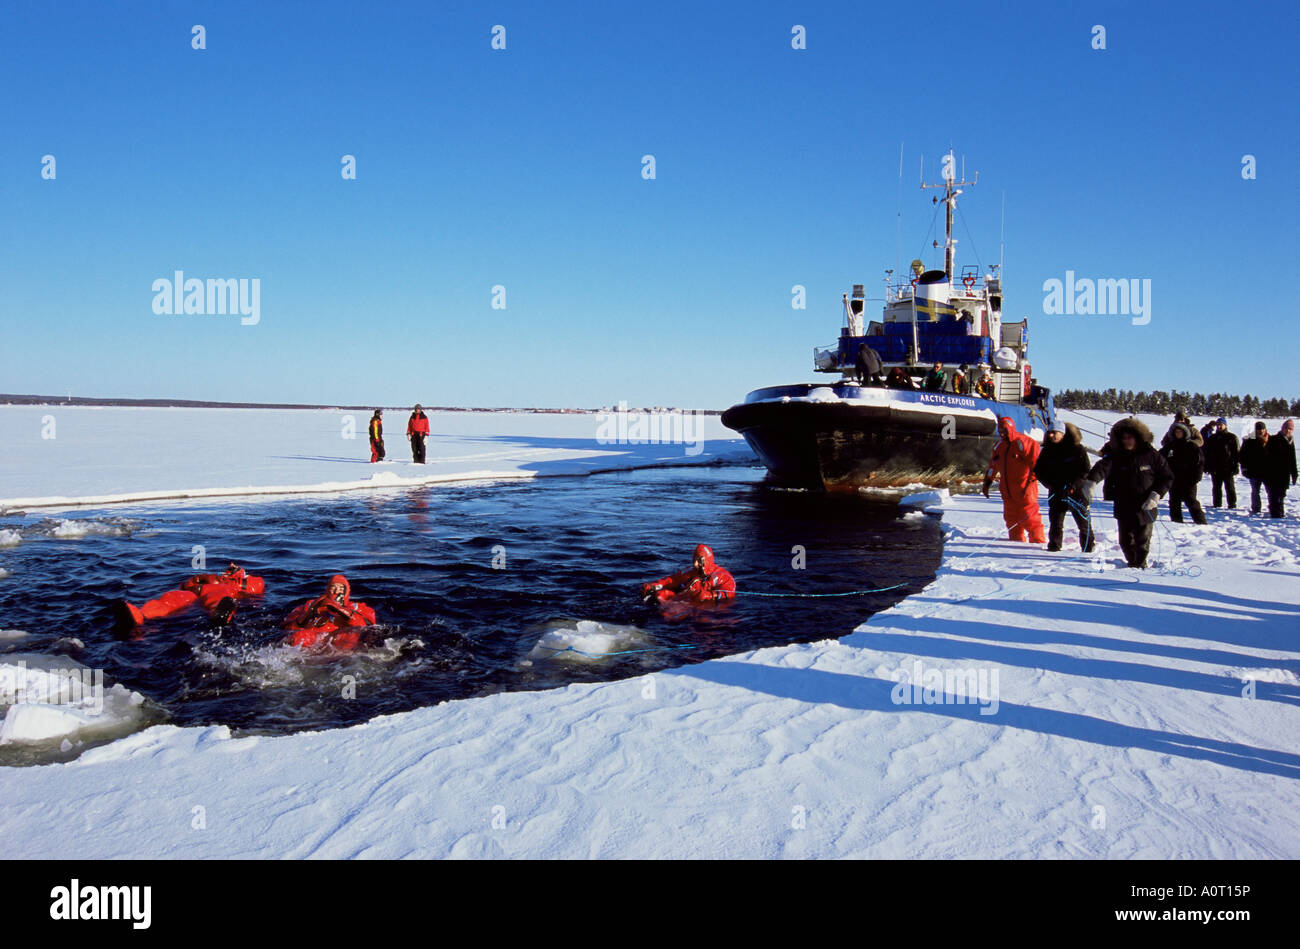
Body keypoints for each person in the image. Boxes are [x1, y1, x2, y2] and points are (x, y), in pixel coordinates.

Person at [1084, 417, 1174, 568]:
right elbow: (1102, 467)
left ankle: (1140, 565)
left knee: (1142, 539)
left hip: (1145, 504)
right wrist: (1091, 481)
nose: (1127, 441)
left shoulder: (1151, 455)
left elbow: (1167, 477)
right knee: (1125, 540)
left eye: (1130, 438)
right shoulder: (1116, 454)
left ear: (1138, 438)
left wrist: (1156, 494)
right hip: (1123, 502)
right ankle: (1132, 562)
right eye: (1124, 438)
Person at [114, 563, 265, 627]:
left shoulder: (241, 581)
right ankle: (138, 614)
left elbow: (256, 586)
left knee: (218, 600)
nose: (230, 565)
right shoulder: (211, 576)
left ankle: (221, 615)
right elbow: (186, 584)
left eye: (234, 567)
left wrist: (235, 579)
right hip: (191, 593)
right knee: (169, 600)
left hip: (217, 592)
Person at [1033, 420, 1095, 552]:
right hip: (1056, 491)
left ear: (1062, 434)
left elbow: (1085, 471)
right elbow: (1039, 470)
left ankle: (1088, 548)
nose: (1051, 436)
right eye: (1049, 433)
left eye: (1054, 433)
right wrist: (1050, 485)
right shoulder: (1047, 450)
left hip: (1076, 493)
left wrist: (1072, 486)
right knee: (1055, 523)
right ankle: (1054, 547)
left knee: (1083, 523)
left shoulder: (1077, 449)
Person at [982, 416, 1045, 543]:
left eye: (1004, 430)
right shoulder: (999, 446)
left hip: (1025, 488)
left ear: (1011, 428)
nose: (1002, 434)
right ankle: (1016, 542)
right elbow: (993, 465)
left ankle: (1038, 544)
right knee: (1011, 519)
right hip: (1008, 490)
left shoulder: (1025, 443)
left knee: (1030, 518)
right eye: (1000, 431)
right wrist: (988, 481)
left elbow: (1037, 465)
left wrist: (1032, 481)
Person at [283, 575, 378, 651]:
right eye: (333, 587)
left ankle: (342, 660)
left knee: (351, 635)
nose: (336, 591)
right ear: (327, 589)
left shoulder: (359, 607)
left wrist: (338, 608)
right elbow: (288, 627)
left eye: (341, 588)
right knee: (299, 636)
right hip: (315, 637)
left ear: (347, 591)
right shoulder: (310, 604)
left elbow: (365, 625)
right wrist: (308, 614)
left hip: (340, 639)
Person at [641, 544, 736, 606]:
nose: (694, 564)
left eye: (699, 561)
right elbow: (672, 580)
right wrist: (654, 586)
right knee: (660, 595)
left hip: (705, 608)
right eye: (694, 560)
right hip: (684, 599)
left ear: (706, 561)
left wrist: (709, 595)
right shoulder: (690, 572)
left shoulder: (722, 576)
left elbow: (729, 593)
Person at [1161, 423, 1207, 524]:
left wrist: (1196, 477)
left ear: (1185, 432)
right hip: (1173, 480)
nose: (1178, 433)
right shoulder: (1169, 447)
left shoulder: (1191, 446)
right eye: (1176, 432)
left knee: (1191, 501)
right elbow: (1159, 458)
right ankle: (1176, 522)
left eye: (1180, 431)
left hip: (1188, 480)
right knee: (1174, 502)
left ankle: (1201, 522)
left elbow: (1199, 463)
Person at [1263, 419, 1297, 518]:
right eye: (1286, 428)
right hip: (1273, 473)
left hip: (1284, 474)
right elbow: (1266, 457)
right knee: (1274, 495)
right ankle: (1275, 514)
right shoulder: (1273, 439)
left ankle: (1279, 512)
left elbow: (1292, 459)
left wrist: (1294, 473)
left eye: (1290, 429)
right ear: (1282, 428)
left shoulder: (1290, 441)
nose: (1288, 431)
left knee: (1281, 494)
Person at [1202, 417, 1239, 509]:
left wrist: (1236, 465)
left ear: (1225, 426)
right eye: (1218, 424)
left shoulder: (1232, 437)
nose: (1219, 426)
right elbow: (1207, 453)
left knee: (1230, 487)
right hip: (1215, 467)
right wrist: (1207, 466)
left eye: (1221, 424)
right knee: (1216, 488)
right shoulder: (1212, 438)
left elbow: (1236, 453)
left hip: (1228, 467)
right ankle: (1217, 504)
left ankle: (1232, 504)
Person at [1239, 421, 1270, 515]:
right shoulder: (1248, 440)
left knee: (1270, 491)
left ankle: (1272, 506)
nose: (1260, 431)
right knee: (1255, 491)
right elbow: (1242, 456)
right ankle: (1256, 508)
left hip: (1268, 471)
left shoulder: (1271, 439)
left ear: (1265, 429)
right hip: (1254, 470)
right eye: (1258, 429)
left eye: (1262, 429)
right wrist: (1244, 468)